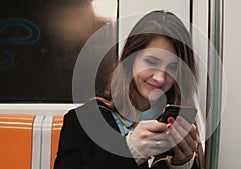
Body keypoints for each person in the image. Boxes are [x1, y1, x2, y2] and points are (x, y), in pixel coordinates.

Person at [54, 10, 204, 169]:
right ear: (129, 60)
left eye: (173, 67)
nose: (160, 78)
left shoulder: (179, 128)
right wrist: (130, 151)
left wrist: (183, 164)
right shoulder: (83, 121)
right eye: (152, 61)